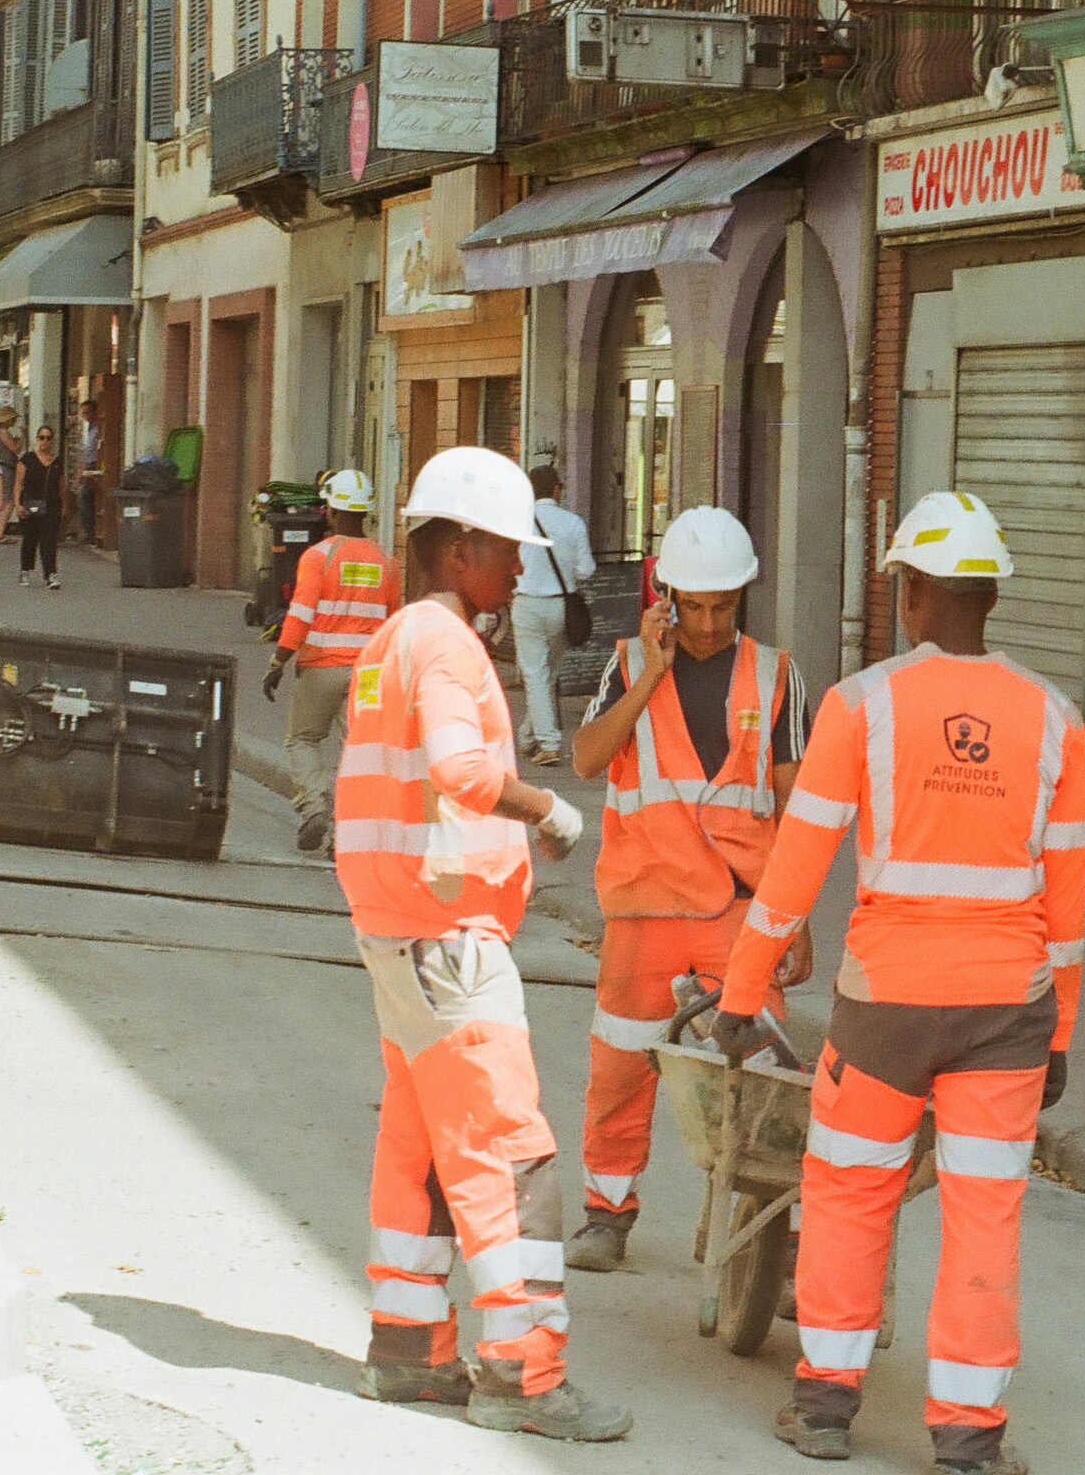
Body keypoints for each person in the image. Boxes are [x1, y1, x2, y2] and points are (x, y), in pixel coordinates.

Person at [716, 490, 1085, 1475]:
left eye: (900, 586)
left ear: (916, 590)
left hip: (883, 1006)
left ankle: (825, 1406)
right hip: (1008, 1011)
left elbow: (794, 870)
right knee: (984, 1210)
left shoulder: (862, 703)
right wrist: (1058, 1036)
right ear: (992, 593)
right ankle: (967, 1434)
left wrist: (740, 988)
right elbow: (1068, 906)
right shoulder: (1055, 721)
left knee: (844, 1192)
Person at [342, 447, 628, 1442]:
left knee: (418, 1147)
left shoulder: (390, 640)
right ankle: (523, 1370)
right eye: (505, 551)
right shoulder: (450, 646)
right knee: (512, 1153)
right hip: (447, 933)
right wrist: (550, 809)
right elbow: (462, 770)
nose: (517, 569)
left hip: (396, 931)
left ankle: (409, 1349)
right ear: (458, 548)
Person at [562, 506, 810, 1274]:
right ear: (665, 595)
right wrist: (654, 669)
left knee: (764, 1077)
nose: (706, 624)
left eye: (721, 608)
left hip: (740, 914)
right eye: (692, 607)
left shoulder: (775, 676)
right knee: (621, 1065)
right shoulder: (629, 665)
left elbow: (796, 807)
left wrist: (795, 919)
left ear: (742, 600)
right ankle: (607, 1214)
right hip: (644, 907)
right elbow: (585, 758)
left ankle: (765, 1228)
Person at [262, 470, 396, 853]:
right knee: (358, 750)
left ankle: (314, 808)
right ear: (366, 511)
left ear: (331, 510)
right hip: (368, 673)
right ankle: (347, 835)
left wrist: (278, 661)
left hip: (322, 668)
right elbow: (392, 624)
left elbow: (300, 616)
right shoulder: (386, 562)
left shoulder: (319, 557)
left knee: (303, 739)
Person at [509, 464, 595, 765]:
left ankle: (548, 742)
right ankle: (528, 735)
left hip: (527, 604)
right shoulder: (573, 523)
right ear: (557, 490)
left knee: (535, 674)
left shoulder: (518, 522)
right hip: (561, 606)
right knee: (548, 674)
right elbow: (586, 570)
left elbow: (510, 564)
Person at [13, 424, 66, 588]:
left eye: (49, 438)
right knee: (30, 538)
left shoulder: (57, 461)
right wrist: (17, 504)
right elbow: (18, 483)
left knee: (49, 539)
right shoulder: (27, 459)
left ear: (52, 440)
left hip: (52, 504)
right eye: (42, 437)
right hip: (31, 504)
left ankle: (51, 574)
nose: (45, 441)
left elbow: (61, 484)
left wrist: (64, 504)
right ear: (37, 439)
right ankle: (25, 570)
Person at [74, 398, 106, 545]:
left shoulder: (99, 427)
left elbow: (96, 449)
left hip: (95, 465)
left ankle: (92, 533)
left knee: (85, 497)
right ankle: (89, 532)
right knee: (85, 498)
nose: (85, 416)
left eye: (87, 412)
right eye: (83, 413)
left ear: (94, 411)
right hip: (88, 466)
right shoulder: (89, 428)